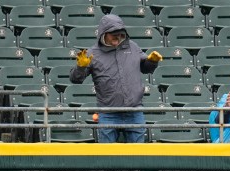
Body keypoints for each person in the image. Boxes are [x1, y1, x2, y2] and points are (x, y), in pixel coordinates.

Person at [69, 14, 163, 143]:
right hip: (108, 113)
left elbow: (145, 68)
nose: (117, 36)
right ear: (104, 33)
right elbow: (75, 79)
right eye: (114, 33)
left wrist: (152, 62)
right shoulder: (92, 53)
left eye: (120, 33)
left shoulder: (132, 46)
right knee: (108, 156)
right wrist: (80, 67)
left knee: (138, 155)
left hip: (134, 111)